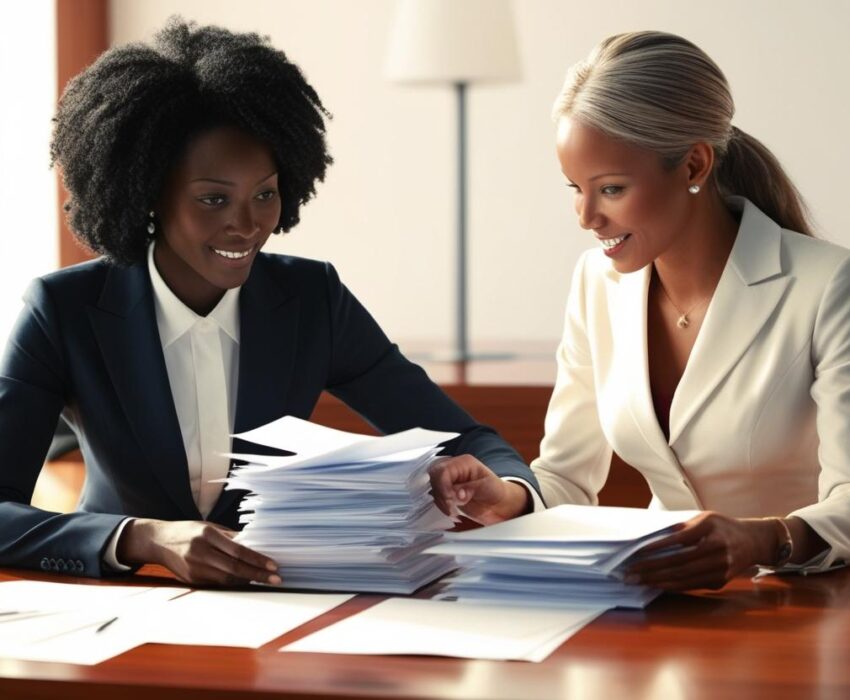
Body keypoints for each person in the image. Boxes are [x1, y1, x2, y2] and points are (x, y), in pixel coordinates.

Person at [0, 18, 540, 586]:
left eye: (265, 194)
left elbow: (468, 440)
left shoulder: (312, 300)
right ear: (147, 195)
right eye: (213, 199)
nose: (247, 225)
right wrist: (142, 536)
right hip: (125, 602)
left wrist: (508, 494)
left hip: (277, 599)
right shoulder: (64, 309)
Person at [430, 30, 850, 591]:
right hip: (659, 605)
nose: (585, 216)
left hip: (803, 604)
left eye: (610, 189)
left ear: (695, 165)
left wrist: (761, 540)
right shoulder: (595, 284)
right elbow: (565, 480)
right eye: (574, 188)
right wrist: (507, 498)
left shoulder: (826, 286)